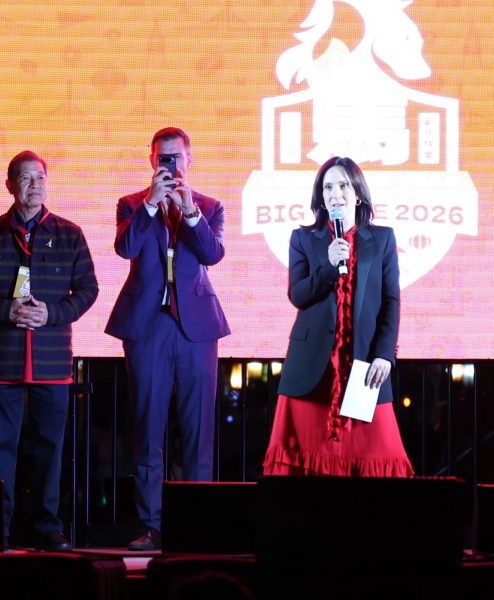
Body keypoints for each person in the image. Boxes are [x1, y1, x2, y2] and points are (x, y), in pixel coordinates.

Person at [0, 150, 98, 551]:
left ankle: (47, 527)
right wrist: (7, 310)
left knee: (49, 450)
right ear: (9, 185)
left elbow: (88, 290)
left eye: (40, 178)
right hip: (1, 360)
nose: (34, 185)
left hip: (52, 362)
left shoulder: (70, 234)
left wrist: (52, 313)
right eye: (25, 178)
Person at [106, 127, 230, 551]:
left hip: (196, 328)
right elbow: (126, 248)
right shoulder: (131, 204)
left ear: (189, 160)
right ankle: (151, 525)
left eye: (176, 157)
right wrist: (151, 204)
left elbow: (212, 254)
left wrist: (189, 211)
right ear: (152, 160)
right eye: (163, 158)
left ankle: (196, 523)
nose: (170, 164)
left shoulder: (209, 206)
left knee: (198, 430)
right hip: (148, 326)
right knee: (148, 428)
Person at [263, 156, 413, 477]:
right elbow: (298, 295)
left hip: (362, 363)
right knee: (305, 462)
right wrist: (329, 266)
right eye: (328, 187)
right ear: (321, 197)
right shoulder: (303, 238)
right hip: (311, 365)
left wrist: (384, 354)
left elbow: (391, 300)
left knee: (379, 455)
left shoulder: (382, 238)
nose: (336, 194)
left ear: (357, 193)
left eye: (343, 185)